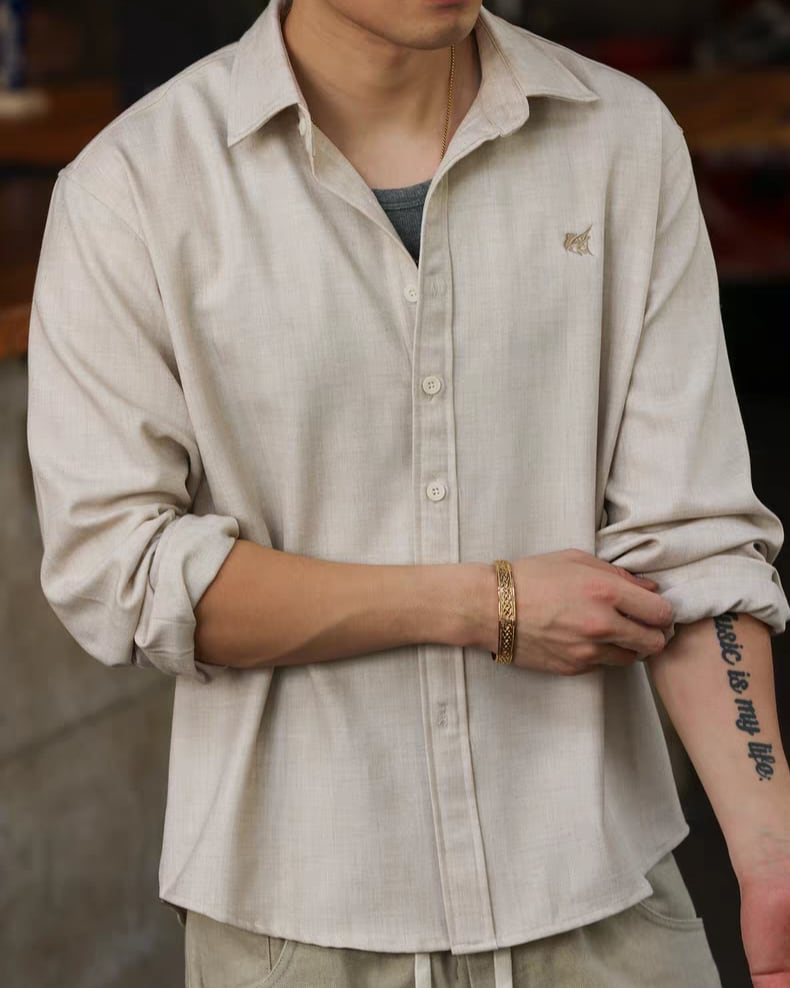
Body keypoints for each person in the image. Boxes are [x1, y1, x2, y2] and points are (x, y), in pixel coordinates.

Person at [25, 0, 790, 985]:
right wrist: (484, 604)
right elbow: (121, 573)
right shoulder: (133, 186)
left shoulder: (621, 141)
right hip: (298, 930)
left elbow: (693, 547)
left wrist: (771, 856)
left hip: (606, 906)